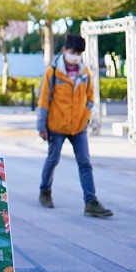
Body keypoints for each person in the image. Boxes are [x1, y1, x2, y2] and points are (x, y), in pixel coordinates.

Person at [37, 33, 113, 218]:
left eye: (79, 53)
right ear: (64, 50)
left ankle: (91, 202)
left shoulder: (85, 72)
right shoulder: (53, 72)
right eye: (72, 52)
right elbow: (44, 100)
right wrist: (41, 126)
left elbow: (90, 98)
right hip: (56, 126)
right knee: (53, 160)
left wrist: (86, 116)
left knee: (85, 163)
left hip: (78, 127)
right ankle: (45, 191)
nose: (75, 56)